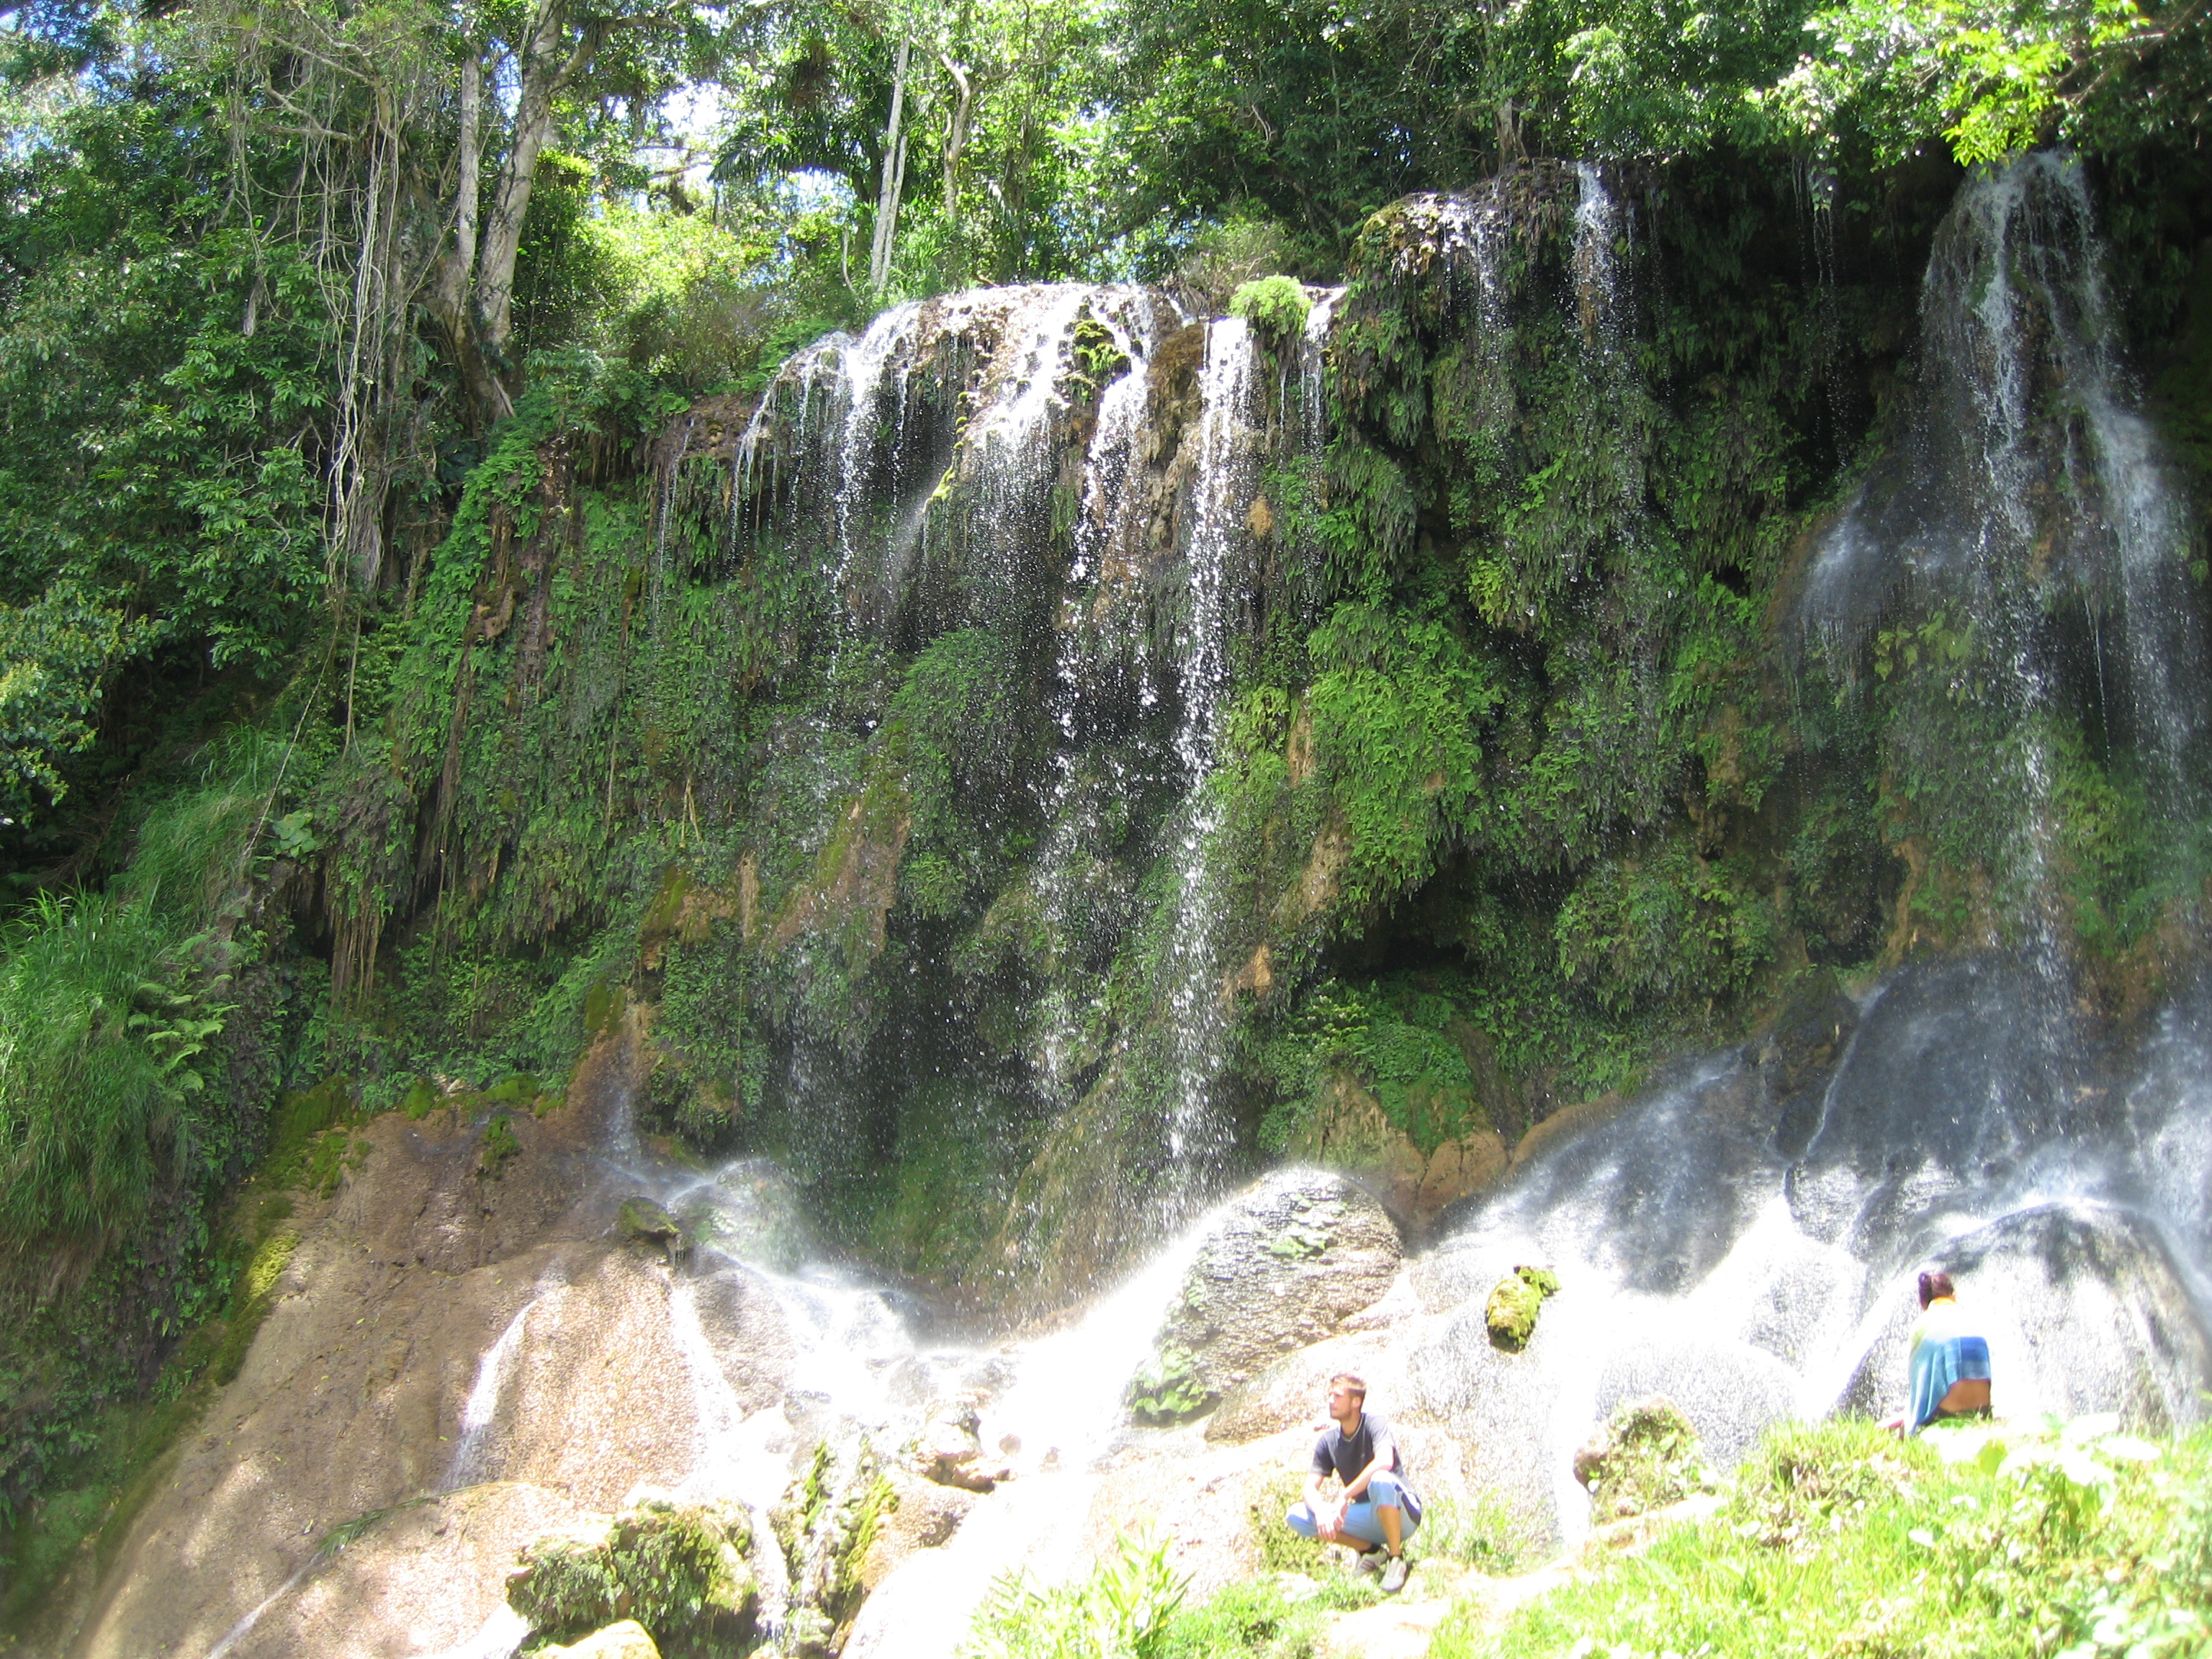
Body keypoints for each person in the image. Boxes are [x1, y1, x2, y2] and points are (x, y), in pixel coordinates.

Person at [1285, 1372, 1421, 1593]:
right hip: (1369, 1519)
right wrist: (1320, 1512)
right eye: (1330, 1395)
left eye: (1338, 1396)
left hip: (1404, 1514)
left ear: (1356, 1402)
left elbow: (1385, 1461)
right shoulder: (1328, 1442)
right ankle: (1371, 1552)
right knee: (1296, 1514)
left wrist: (1345, 1494)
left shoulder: (1374, 1423)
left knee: (1380, 1479)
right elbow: (1309, 1489)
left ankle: (1396, 1559)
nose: (1331, 1401)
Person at [1879, 1269, 1992, 1435]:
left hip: (1947, 1417)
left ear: (1922, 1303)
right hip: (1981, 1414)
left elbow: (1919, 1392)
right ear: (1953, 1296)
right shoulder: (1973, 1321)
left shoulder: (1921, 1326)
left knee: (1903, 1428)